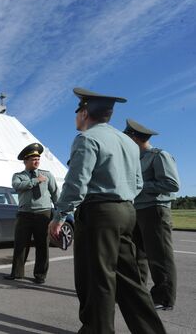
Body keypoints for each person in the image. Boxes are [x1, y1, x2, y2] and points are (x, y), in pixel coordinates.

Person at [48, 88, 165, 333]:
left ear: (85, 112)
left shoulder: (87, 139)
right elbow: (138, 183)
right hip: (125, 211)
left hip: (99, 214)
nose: (77, 116)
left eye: (78, 110)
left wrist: (59, 216)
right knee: (130, 280)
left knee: (96, 280)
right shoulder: (128, 143)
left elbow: (76, 184)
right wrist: (121, 201)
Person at [124, 118, 180, 310]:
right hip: (138, 211)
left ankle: (164, 299)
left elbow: (172, 184)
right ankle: (138, 292)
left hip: (155, 210)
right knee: (137, 255)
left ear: (133, 138)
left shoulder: (159, 155)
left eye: (127, 137)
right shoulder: (136, 160)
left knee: (160, 257)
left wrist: (140, 186)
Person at [5, 143, 59, 284]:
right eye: (33, 159)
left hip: (43, 214)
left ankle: (40, 275)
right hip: (24, 214)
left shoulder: (47, 175)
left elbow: (55, 194)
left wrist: (60, 213)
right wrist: (35, 181)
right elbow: (18, 186)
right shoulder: (18, 176)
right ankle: (17, 273)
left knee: (42, 245)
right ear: (25, 161)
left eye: (38, 159)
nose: (36, 161)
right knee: (20, 244)